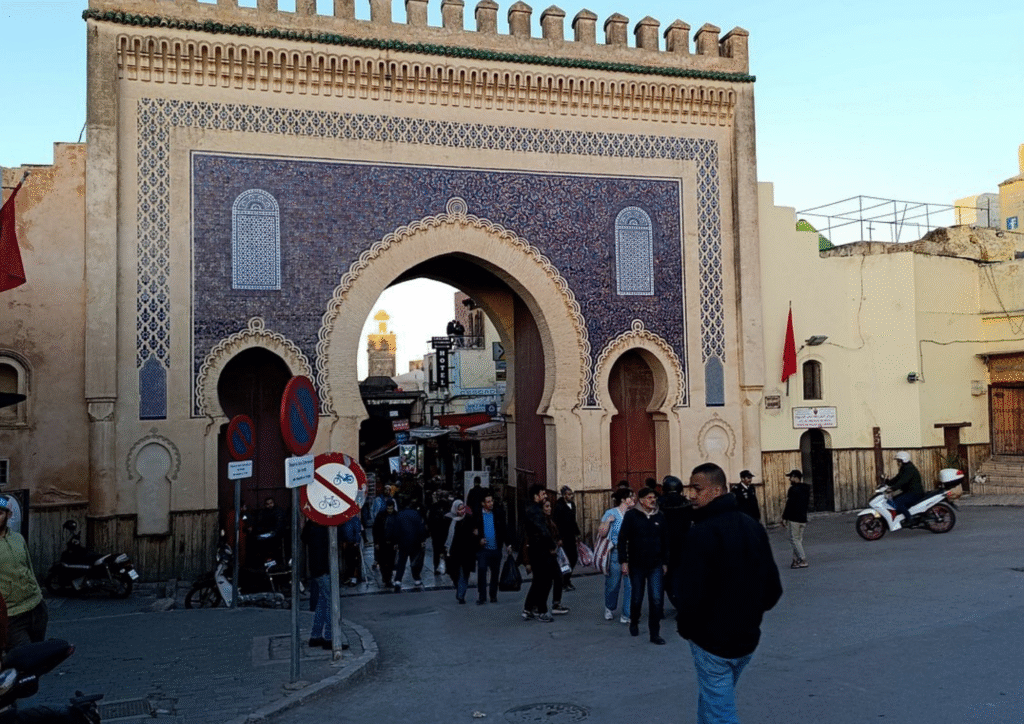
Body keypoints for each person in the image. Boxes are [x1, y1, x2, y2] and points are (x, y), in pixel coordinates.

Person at [677, 463, 782, 724]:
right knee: (713, 700)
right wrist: (749, 613)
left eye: (697, 488)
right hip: (746, 638)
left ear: (716, 490)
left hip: (712, 642)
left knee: (720, 712)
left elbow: (689, 594)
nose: (691, 495)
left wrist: (689, 628)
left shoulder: (701, 533)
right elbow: (773, 589)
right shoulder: (752, 526)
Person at [618, 486, 668, 644]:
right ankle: (634, 621)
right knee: (637, 597)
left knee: (656, 599)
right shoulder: (631, 516)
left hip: (655, 564)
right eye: (649, 498)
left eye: (654, 498)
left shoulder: (660, 516)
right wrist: (623, 561)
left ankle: (655, 633)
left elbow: (666, 541)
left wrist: (665, 562)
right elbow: (622, 539)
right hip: (637, 564)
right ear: (641, 500)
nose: (653, 500)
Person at [0, 496, 47, 651]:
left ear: (8, 515)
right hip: (11, 615)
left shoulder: (18, 539)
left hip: (36, 608)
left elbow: (29, 568)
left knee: (38, 657)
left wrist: (39, 596)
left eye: (0, 513)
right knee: (24, 657)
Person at [300, 519, 349, 651]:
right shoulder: (326, 525)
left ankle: (316, 635)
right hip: (325, 567)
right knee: (331, 602)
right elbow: (340, 538)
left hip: (317, 568)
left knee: (323, 601)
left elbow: (304, 538)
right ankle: (330, 637)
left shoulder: (311, 524)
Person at [599, 488, 634, 624]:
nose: (633, 499)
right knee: (613, 583)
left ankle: (626, 614)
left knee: (630, 584)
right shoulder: (611, 513)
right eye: (630, 497)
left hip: (631, 552)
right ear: (623, 499)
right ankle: (609, 607)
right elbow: (602, 533)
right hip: (615, 551)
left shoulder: (633, 514)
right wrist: (608, 521)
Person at [521, 484, 556, 622]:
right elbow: (543, 530)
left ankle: (528, 609)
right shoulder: (535, 511)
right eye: (543, 494)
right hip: (540, 549)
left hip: (535, 548)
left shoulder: (530, 509)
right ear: (536, 496)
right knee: (545, 581)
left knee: (538, 581)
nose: (545, 496)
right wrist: (551, 545)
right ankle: (542, 611)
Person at [659, 475, 693, 612]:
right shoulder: (686, 503)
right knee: (679, 576)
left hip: (663, 545)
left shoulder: (659, 503)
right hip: (682, 544)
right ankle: (680, 602)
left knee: (661, 577)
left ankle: (659, 607)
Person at [474, 492, 510, 604]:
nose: (491, 503)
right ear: (483, 503)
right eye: (488, 502)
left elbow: (503, 529)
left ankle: (493, 595)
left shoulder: (497, 513)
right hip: (483, 549)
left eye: (492, 501)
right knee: (482, 571)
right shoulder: (477, 515)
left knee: (495, 573)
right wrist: (478, 539)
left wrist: (508, 544)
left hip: (496, 548)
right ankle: (482, 596)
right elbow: (473, 531)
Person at [444, 500, 477, 604]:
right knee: (454, 573)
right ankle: (459, 589)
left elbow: (473, 534)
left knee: (464, 574)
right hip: (453, 552)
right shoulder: (448, 519)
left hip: (466, 552)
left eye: (463, 508)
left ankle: (461, 595)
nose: (462, 511)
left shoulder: (469, 519)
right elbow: (443, 535)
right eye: (459, 509)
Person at [392, 496, 428, 591]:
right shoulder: (416, 514)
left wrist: (396, 542)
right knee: (414, 561)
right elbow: (421, 528)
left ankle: (398, 580)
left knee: (401, 562)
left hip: (403, 542)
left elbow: (396, 529)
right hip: (415, 542)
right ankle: (417, 579)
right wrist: (422, 540)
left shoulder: (399, 514)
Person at [883, 451, 924, 525]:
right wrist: (888, 483)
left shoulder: (909, 469)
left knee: (898, 502)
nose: (898, 462)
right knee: (894, 500)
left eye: (899, 460)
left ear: (903, 460)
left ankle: (909, 519)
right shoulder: (904, 468)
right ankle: (900, 518)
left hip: (915, 493)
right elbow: (897, 478)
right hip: (909, 492)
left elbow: (903, 481)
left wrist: (892, 488)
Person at [552, 486, 581, 591]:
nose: (571, 496)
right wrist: (558, 537)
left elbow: (573, 521)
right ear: (564, 495)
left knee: (573, 558)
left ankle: (567, 579)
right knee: (565, 559)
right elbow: (555, 523)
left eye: (571, 494)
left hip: (571, 536)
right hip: (563, 537)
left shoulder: (572, 505)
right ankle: (563, 581)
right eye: (569, 494)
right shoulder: (559, 506)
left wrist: (577, 533)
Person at [781, 470, 811, 569]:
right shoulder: (806, 489)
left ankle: (803, 559)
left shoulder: (793, 489)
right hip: (803, 517)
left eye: (791, 477)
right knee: (798, 540)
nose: (790, 479)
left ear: (795, 477)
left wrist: (784, 517)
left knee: (794, 539)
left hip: (794, 518)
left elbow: (789, 504)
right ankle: (795, 560)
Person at [249, 496, 286, 565]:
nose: (269, 505)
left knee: (269, 543)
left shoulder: (278, 511)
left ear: (274, 503)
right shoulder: (264, 512)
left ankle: (272, 561)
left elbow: (279, 525)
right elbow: (259, 522)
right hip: (267, 533)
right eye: (267, 504)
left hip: (276, 534)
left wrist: (271, 531)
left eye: (271, 503)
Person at [372, 499, 398, 587]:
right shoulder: (381, 515)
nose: (390, 510)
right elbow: (376, 530)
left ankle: (388, 579)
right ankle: (386, 577)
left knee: (390, 562)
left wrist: (397, 542)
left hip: (392, 542)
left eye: (391, 508)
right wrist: (376, 542)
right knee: (383, 561)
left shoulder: (396, 515)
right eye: (388, 508)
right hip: (382, 542)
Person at [427, 490, 453, 574]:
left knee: (436, 551)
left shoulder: (434, 507)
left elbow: (430, 520)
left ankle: (436, 567)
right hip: (446, 532)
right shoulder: (449, 506)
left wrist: (430, 531)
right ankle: (448, 568)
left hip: (436, 532)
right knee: (446, 550)